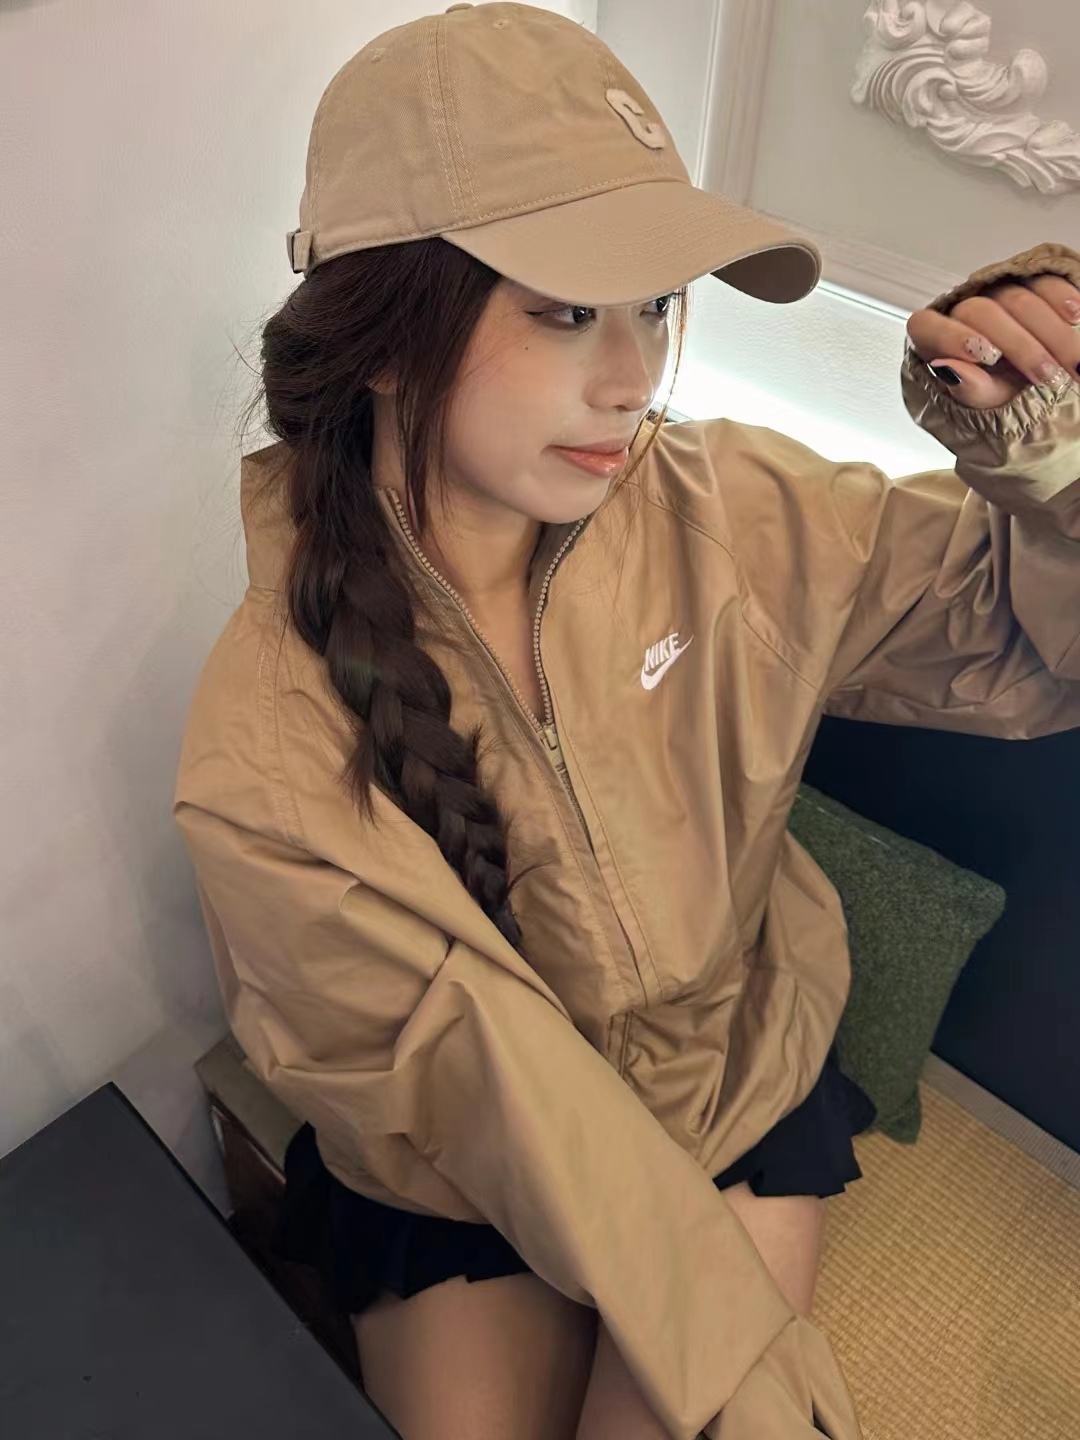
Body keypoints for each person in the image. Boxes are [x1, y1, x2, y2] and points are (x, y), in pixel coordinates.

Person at [173, 5, 1080, 1437]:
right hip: (468, 1172)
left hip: (733, 1078)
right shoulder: (266, 750)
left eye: (654, 305)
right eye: (563, 310)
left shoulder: (740, 513)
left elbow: (1029, 659)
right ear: (386, 335)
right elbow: (496, 1102)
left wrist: (1049, 460)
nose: (633, 375)